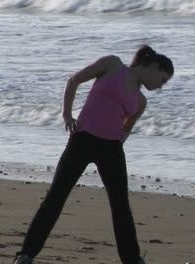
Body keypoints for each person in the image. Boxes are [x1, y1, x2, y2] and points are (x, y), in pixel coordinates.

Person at [13, 45, 174, 264]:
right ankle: (26, 255)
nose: (160, 86)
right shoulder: (112, 64)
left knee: (121, 208)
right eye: (162, 80)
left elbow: (126, 129)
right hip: (82, 141)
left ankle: (132, 260)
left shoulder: (140, 101)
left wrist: (116, 144)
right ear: (154, 67)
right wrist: (67, 115)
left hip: (111, 150)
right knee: (55, 198)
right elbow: (73, 81)